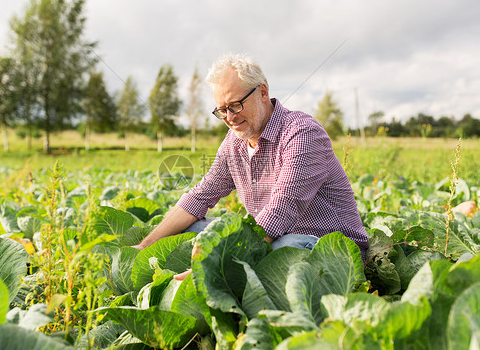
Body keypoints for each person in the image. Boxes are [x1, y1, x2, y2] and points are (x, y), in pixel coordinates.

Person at [133, 54, 369, 279]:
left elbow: (281, 210)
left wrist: (216, 266)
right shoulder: (234, 143)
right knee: (192, 231)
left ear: (263, 92)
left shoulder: (302, 133)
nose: (230, 118)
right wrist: (144, 246)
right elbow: (200, 196)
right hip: (268, 239)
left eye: (235, 105)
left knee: (284, 248)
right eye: (222, 110)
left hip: (330, 249)